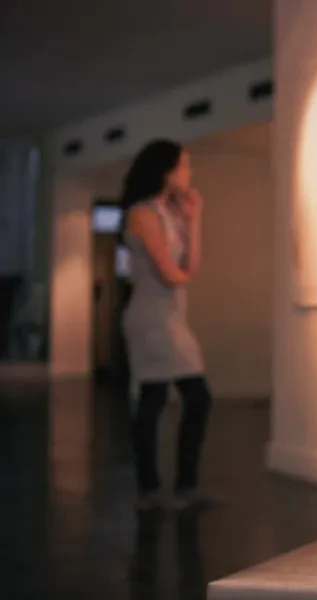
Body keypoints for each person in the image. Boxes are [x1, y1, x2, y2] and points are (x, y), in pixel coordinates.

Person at [120, 139, 215, 512]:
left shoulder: (172, 211)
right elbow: (173, 273)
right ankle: (151, 489)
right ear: (165, 171)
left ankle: (180, 486)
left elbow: (190, 267)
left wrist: (194, 218)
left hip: (172, 316)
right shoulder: (142, 213)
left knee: (173, 398)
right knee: (173, 397)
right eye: (184, 166)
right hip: (150, 318)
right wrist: (182, 272)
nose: (189, 174)